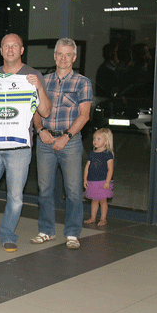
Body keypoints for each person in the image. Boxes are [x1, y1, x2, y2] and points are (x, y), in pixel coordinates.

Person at [0, 33, 51, 252]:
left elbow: (45, 111)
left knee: (15, 198)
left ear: (22, 50)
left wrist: (39, 88)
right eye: (6, 46)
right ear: (1, 50)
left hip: (19, 148)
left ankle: (7, 234)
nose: (10, 49)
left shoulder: (32, 76)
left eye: (15, 46)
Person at [31, 38, 92, 250]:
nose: (63, 58)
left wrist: (66, 137)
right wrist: (40, 130)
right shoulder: (43, 81)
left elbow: (84, 115)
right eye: (60, 54)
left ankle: (73, 233)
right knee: (44, 190)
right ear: (54, 56)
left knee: (73, 191)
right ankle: (46, 231)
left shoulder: (83, 82)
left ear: (74, 58)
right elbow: (35, 110)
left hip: (71, 143)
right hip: (45, 141)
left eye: (68, 55)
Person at [84, 128, 114, 226]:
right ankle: (93, 218)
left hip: (102, 181)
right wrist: (85, 179)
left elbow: (110, 169)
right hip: (92, 181)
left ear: (106, 141)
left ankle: (103, 219)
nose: (95, 141)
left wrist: (107, 181)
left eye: (99, 139)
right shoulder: (92, 153)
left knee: (103, 201)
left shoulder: (108, 154)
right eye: (94, 139)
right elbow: (87, 166)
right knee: (94, 200)